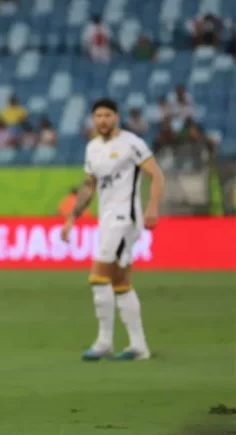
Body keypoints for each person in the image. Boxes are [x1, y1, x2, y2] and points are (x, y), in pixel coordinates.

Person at [60, 99, 165, 361]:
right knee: (121, 282)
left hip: (125, 218)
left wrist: (152, 207)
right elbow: (88, 186)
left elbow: (157, 175)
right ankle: (138, 346)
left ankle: (104, 341)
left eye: (107, 115)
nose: (103, 120)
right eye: (98, 116)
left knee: (98, 276)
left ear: (116, 117)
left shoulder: (132, 143)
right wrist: (72, 218)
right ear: (93, 119)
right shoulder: (93, 147)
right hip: (106, 219)